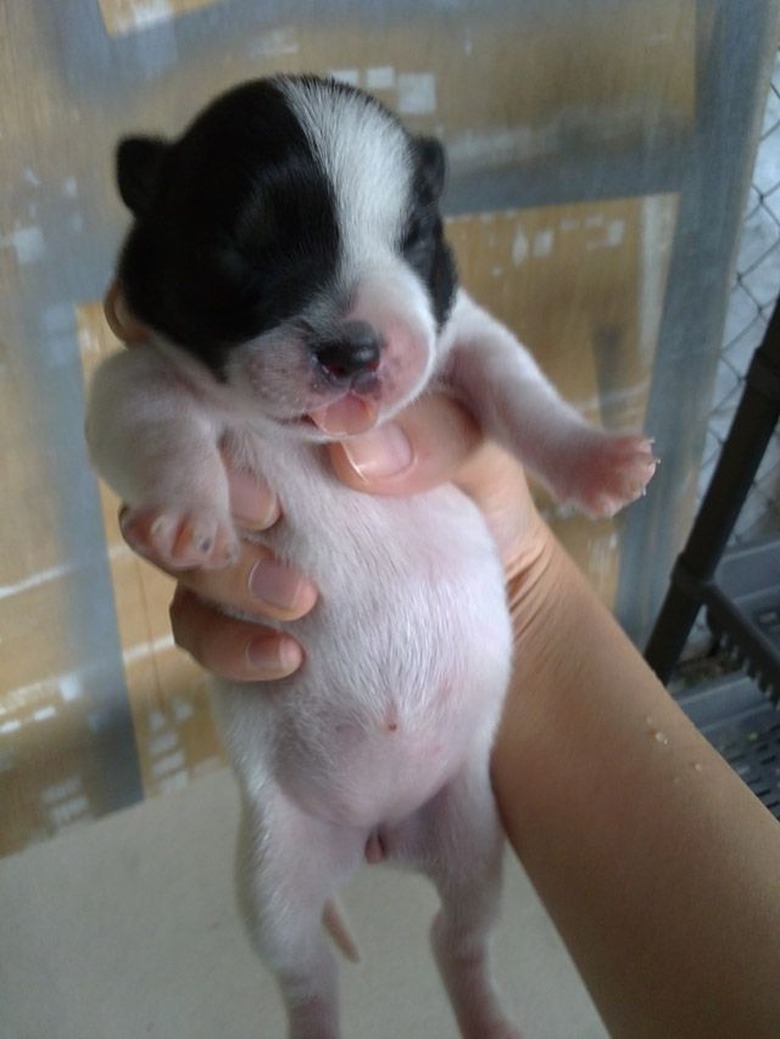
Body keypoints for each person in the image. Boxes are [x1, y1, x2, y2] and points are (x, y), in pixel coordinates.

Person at [109, 286, 780, 1038]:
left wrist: (561, 450)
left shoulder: (402, 300)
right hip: (306, 786)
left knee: (473, 891)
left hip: (448, 763)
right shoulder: (194, 334)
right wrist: (178, 478)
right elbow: (124, 407)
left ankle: (467, 970)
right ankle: (310, 1003)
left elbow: (478, 346)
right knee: (279, 904)